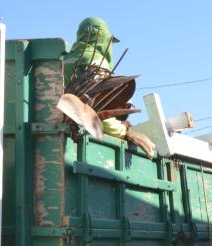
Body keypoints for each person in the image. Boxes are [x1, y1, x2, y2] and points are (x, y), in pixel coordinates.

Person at [62, 17, 154, 156]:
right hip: (77, 138)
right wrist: (124, 132)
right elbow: (94, 109)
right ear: (102, 39)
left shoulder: (63, 59)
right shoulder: (96, 60)